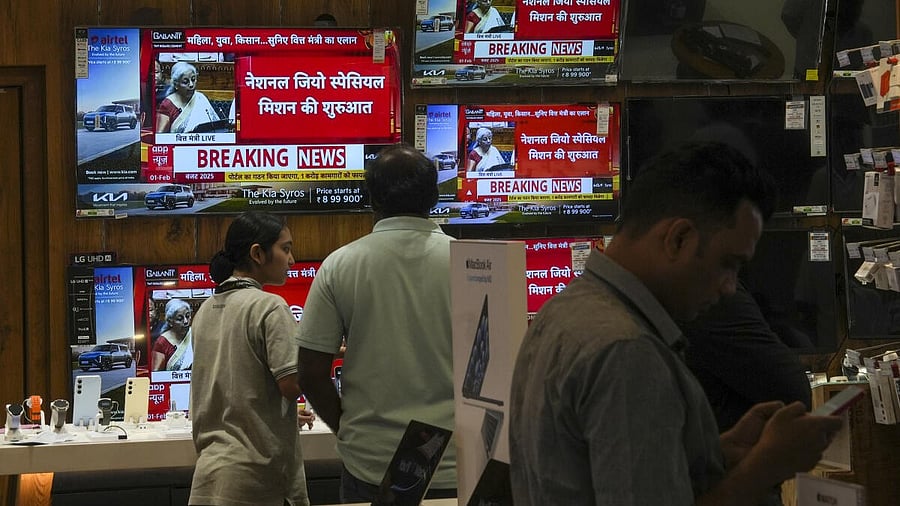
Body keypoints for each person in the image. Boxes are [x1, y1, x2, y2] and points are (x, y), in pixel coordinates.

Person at [509, 141, 844, 506]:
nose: (730, 286)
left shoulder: (564, 310)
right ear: (678, 238)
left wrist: (713, 453)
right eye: (728, 264)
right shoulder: (627, 352)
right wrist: (764, 468)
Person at [297, 143, 457, 503]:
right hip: (452, 463)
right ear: (434, 196)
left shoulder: (340, 265)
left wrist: (347, 428)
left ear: (372, 198)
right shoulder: (470, 264)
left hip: (368, 464)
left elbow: (309, 372)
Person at [189, 211, 314, 506]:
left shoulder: (205, 309)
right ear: (257, 253)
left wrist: (276, 415)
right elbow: (292, 385)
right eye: (285, 249)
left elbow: (234, 389)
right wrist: (322, 355)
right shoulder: (269, 307)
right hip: (257, 481)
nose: (292, 260)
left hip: (209, 478)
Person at [681, 279, 813, 506]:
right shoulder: (707, 293)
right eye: (729, 261)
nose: (730, 285)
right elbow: (792, 392)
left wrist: (722, 452)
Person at [156, 61, 219, 134]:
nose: (191, 85)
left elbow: (215, 128)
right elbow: (160, 136)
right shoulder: (167, 104)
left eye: (193, 79)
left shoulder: (200, 98)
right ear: (176, 85)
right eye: (185, 82)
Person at [151, 298, 193, 371]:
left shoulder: (195, 334)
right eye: (180, 319)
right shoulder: (161, 342)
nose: (186, 321)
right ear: (170, 321)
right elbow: (156, 374)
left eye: (187, 316)